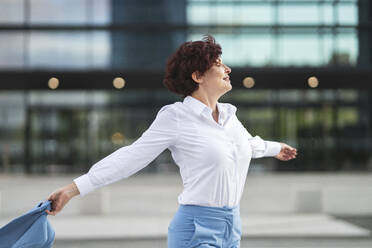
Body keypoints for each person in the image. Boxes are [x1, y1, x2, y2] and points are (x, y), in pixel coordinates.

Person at [45, 35, 297, 247]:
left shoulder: (230, 116)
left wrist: (276, 149)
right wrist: (72, 189)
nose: (227, 69)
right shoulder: (176, 117)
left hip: (232, 229)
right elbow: (132, 157)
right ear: (198, 76)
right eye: (219, 64)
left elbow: (251, 145)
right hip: (196, 229)